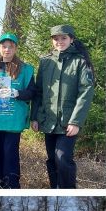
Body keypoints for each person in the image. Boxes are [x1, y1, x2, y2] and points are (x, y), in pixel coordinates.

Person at [30, 25, 95, 189]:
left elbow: (85, 92)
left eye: (63, 38)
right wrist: (35, 117)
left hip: (68, 123)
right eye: (56, 38)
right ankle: (55, 189)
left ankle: (68, 190)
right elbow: (39, 91)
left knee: (63, 158)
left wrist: (76, 121)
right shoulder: (45, 61)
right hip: (48, 120)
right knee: (52, 159)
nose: (59, 42)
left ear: (71, 39)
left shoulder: (80, 62)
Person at [0, 33, 35, 189]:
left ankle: (12, 184)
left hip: (13, 120)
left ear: (16, 48)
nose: (7, 50)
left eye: (11, 47)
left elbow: (32, 92)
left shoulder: (26, 70)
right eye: (4, 46)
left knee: (10, 153)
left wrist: (17, 93)